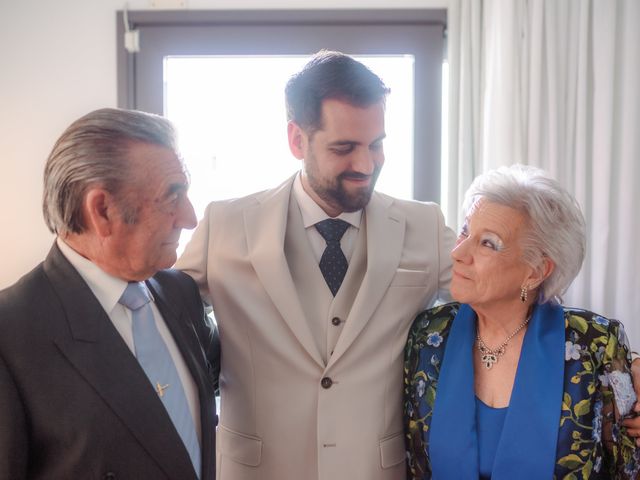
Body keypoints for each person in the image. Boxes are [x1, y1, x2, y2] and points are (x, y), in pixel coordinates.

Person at [175, 50, 455, 479]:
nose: (365, 165)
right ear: (296, 139)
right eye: (344, 148)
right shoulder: (225, 225)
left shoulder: (424, 225)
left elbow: (496, 300)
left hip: (375, 470)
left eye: (376, 145)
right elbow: (158, 318)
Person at [0, 108, 220, 480]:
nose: (190, 217)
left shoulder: (180, 293)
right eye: (173, 195)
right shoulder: (10, 333)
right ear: (102, 210)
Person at [404, 164, 640, 479]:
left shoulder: (595, 344)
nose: (459, 253)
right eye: (464, 231)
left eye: (487, 243)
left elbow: (629, 468)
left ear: (536, 270)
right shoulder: (429, 334)